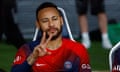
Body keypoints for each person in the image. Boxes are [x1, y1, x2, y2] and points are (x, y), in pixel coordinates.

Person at [11, 2, 91, 72]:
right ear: (38, 25)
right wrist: (32, 58)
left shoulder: (78, 49)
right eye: (45, 21)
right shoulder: (27, 49)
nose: (51, 24)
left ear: (61, 21)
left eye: (54, 19)